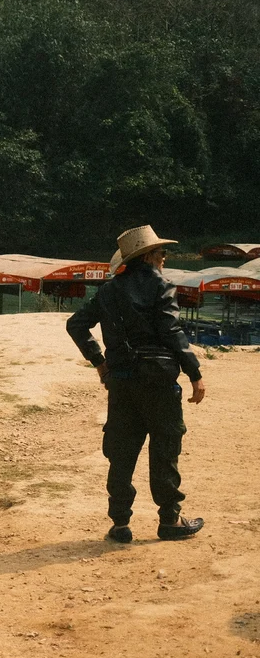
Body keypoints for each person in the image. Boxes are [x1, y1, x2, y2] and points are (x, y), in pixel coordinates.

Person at [66, 225, 206, 543]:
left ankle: (120, 524)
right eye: (162, 253)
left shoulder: (108, 290)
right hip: (159, 381)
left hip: (122, 382)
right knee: (165, 448)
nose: (165, 259)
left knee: (122, 453)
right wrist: (194, 373)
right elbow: (172, 333)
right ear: (150, 256)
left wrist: (100, 363)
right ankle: (170, 520)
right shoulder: (162, 286)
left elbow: (75, 324)